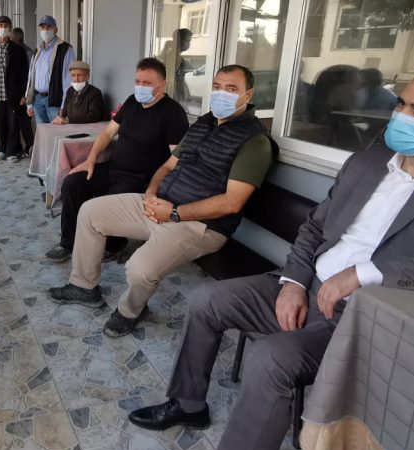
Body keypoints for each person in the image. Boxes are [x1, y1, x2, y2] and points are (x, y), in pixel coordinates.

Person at [127, 60, 414, 450]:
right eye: (402, 103)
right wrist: (293, 282)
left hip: (362, 317)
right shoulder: (371, 159)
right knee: (207, 300)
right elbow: (316, 226)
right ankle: (187, 404)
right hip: (306, 286)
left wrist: (363, 273)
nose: (402, 116)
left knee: (269, 359)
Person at [49, 64, 275, 338]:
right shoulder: (203, 124)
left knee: (139, 268)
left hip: (200, 226)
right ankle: (84, 287)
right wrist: (151, 194)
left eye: (231, 89)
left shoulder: (255, 142)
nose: (221, 94)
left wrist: (175, 212)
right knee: (90, 212)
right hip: (161, 203)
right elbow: (168, 166)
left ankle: (131, 310)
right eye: (217, 87)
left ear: (248, 95)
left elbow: (232, 202)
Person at [46, 58, 189, 264]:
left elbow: (176, 159)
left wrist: (159, 188)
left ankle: (113, 246)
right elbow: (107, 133)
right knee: (72, 183)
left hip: (142, 179)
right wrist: (90, 160)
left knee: (111, 198)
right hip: (114, 169)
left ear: (162, 85)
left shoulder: (173, 113)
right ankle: (68, 243)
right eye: (137, 81)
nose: (140, 87)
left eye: (147, 83)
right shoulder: (132, 102)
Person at [0, 16, 31, 162]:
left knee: (13, 125)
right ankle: (1, 150)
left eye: (6, 25)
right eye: (0, 25)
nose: (3, 28)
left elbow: (25, 74)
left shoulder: (18, 50)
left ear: (10, 28)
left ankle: (11, 153)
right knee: (0, 124)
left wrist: (24, 94)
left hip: (13, 95)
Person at [25, 15, 75, 125]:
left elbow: (68, 81)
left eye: (49, 27)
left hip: (54, 102)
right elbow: (31, 77)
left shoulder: (65, 49)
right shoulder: (38, 50)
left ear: (55, 30)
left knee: (56, 132)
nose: (45, 30)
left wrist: (64, 107)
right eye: (43, 27)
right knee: (42, 133)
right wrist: (29, 102)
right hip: (37, 100)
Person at [52, 61, 104, 125]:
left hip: (87, 128)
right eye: (73, 75)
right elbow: (64, 112)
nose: (76, 79)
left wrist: (69, 120)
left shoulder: (95, 92)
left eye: (79, 75)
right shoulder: (70, 91)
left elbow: (94, 116)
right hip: (70, 127)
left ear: (87, 76)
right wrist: (60, 118)